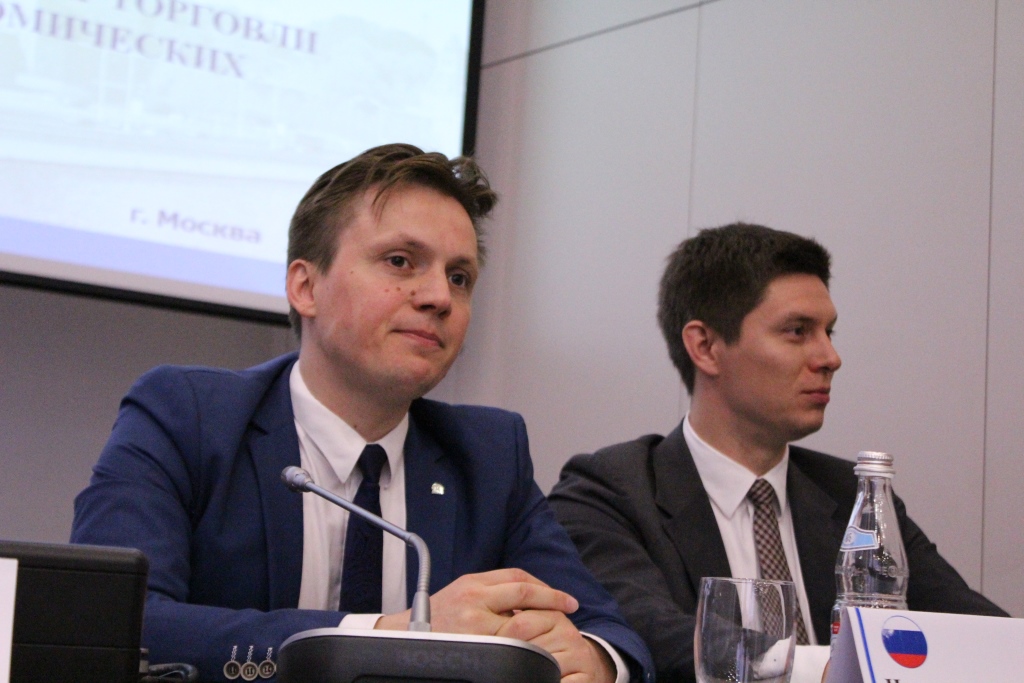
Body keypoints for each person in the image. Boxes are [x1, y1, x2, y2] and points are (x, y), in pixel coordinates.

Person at [71, 144, 653, 683]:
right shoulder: (187, 417)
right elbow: (112, 620)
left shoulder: (489, 453)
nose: (439, 297)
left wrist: (597, 662)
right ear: (306, 287)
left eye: (459, 277)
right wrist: (388, 635)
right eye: (400, 261)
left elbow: (610, 632)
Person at [547, 223, 1007, 683]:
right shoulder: (610, 492)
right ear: (705, 347)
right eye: (797, 331)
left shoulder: (853, 496)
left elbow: (983, 635)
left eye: (829, 331)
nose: (830, 357)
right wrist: (831, 669)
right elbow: (650, 638)